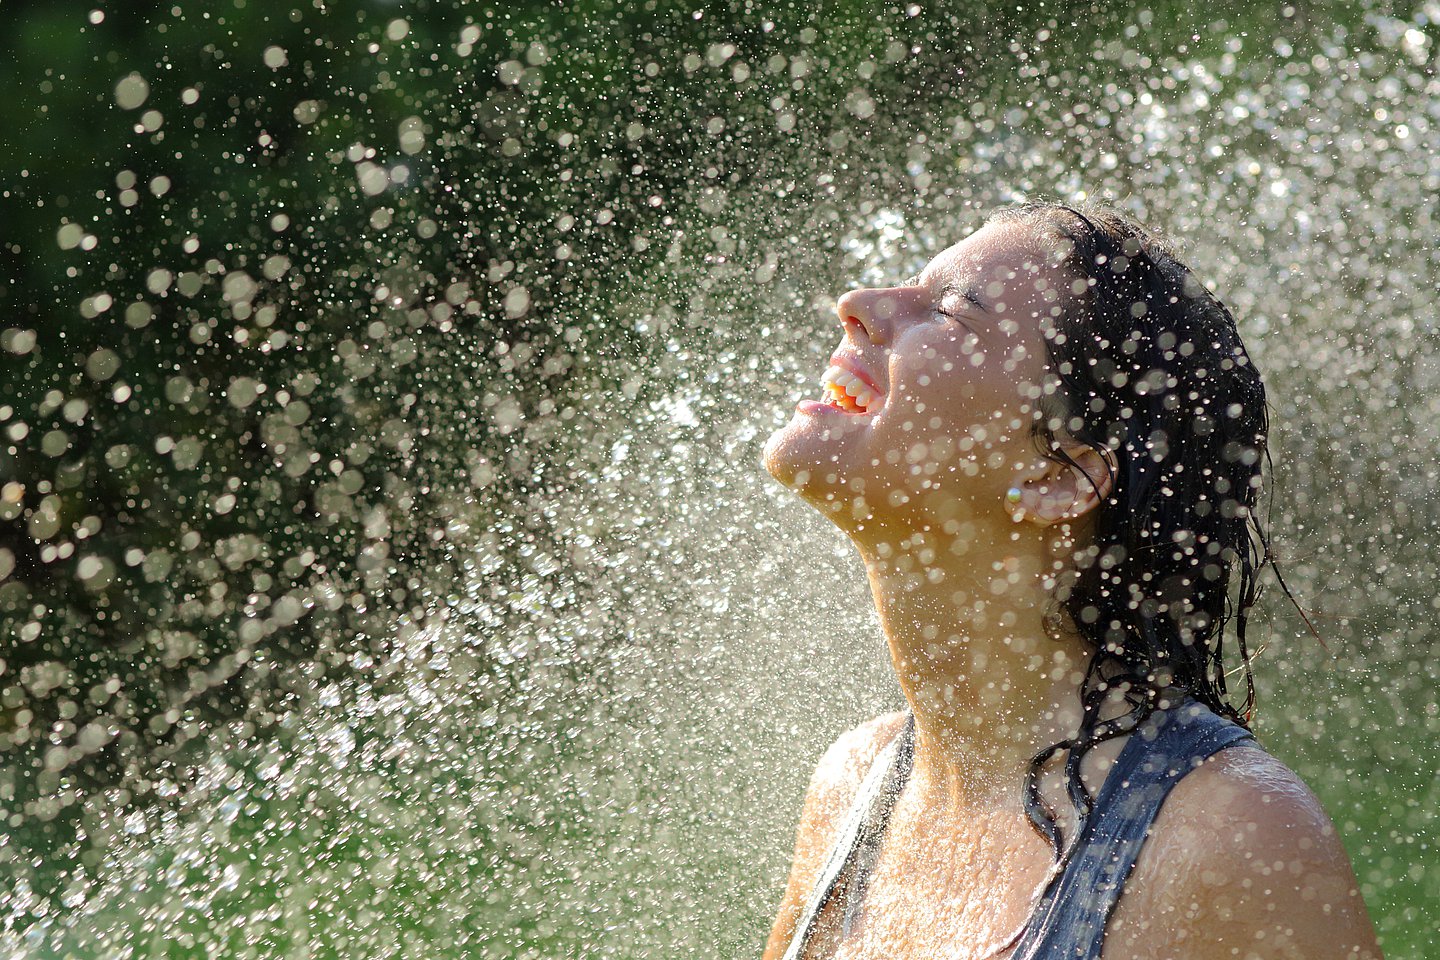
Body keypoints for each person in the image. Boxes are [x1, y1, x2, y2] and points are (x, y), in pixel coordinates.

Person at [759, 202, 1382, 960]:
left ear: (1061, 477)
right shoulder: (856, 790)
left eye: (952, 312)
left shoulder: (1224, 834)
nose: (857, 304)